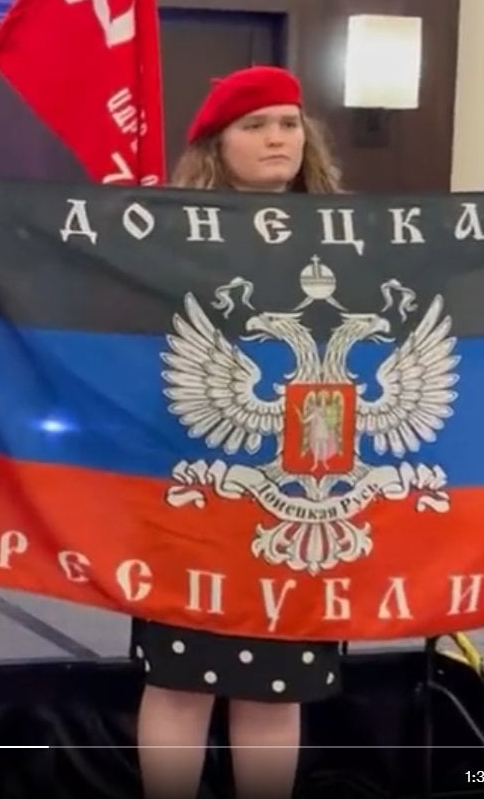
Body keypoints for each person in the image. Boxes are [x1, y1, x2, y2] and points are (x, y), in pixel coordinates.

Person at [132, 64, 343, 799]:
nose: (277, 138)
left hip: (305, 492)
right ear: (217, 145)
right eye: (255, 126)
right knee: (180, 679)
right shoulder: (165, 236)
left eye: (288, 123)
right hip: (197, 483)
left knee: (277, 686)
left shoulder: (355, 239)